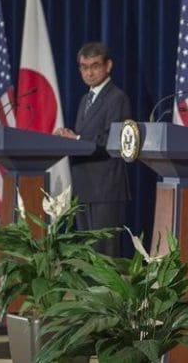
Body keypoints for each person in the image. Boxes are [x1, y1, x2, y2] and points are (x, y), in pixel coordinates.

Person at [54, 42, 131, 257]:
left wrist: (77, 138)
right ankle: (87, 292)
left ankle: (105, 293)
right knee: (86, 254)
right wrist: (69, 139)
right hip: (84, 185)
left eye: (95, 66)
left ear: (108, 66)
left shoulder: (117, 98)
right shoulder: (84, 99)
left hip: (105, 187)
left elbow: (113, 141)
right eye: (84, 67)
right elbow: (87, 140)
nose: (89, 72)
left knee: (103, 254)